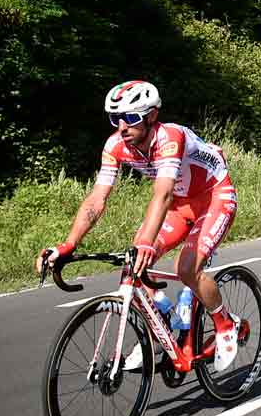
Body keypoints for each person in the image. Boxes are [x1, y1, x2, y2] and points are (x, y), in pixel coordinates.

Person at [37, 81, 241, 373]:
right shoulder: (115, 145)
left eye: (130, 118)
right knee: (133, 262)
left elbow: (163, 193)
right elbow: (97, 199)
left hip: (214, 198)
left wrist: (146, 241)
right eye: (114, 118)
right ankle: (165, 320)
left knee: (186, 269)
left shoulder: (169, 138)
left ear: (152, 116)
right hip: (180, 205)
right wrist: (69, 244)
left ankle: (225, 324)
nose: (121, 127)